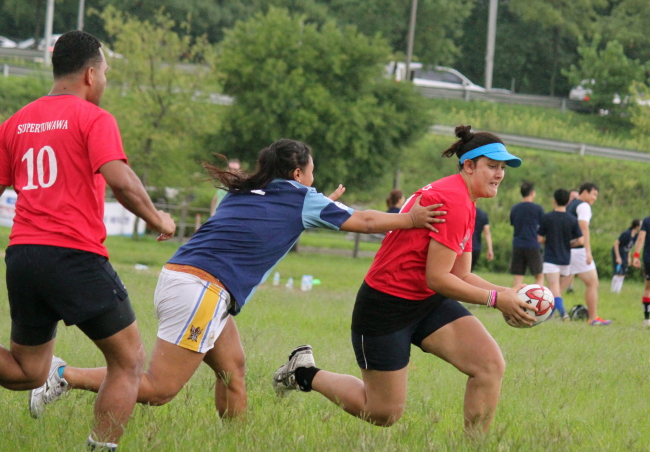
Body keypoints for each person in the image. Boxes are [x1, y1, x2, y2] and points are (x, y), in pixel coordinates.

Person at [29, 139, 447, 422]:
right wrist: (411, 219)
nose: (314, 181)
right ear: (299, 173)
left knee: (233, 371)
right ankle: (63, 374)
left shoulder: (245, 190)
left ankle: (233, 440)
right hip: (203, 291)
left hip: (185, 280)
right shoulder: (300, 197)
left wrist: (321, 206)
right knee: (158, 389)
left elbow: (264, 225)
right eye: (312, 174)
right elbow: (370, 220)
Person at [273, 125, 537, 435]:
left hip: (426, 301)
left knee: (489, 366)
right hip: (386, 306)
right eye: (492, 166)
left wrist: (508, 294)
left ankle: (476, 445)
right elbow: (439, 278)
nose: (499, 174)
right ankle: (304, 372)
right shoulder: (452, 200)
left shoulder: (466, 202)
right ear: (468, 165)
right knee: (383, 412)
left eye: (502, 168)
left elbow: (460, 274)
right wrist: (496, 300)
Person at [0, 31, 176, 451]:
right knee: (129, 360)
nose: (106, 81)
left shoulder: (15, 122)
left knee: (29, 371)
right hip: (73, 255)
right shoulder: (94, 118)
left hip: (22, 255)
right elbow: (121, 181)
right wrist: (158, 218)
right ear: (91, 74)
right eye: (107, 73)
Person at [561, 182, 611, 325]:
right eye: (594, 194)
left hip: (567, 249)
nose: (595, 198)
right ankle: (593, 318)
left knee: (560, 286)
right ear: (585, 192)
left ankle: (546, 312)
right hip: (578, 251)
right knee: (593, 283)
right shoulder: (584, 206)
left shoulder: (572, 204)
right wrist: (588, 251)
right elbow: (584, 228)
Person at [537, 189, 583, 320]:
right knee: (556, 290)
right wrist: (570, 244)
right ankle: (550, 314)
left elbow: (539, 238)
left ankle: (563, 313)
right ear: (568, 201)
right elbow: (581, 240)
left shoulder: (547, 217)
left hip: (551, 258)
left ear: (554, 200)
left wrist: (547, 242)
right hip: (565, 259)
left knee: (554, 289)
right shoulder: (572, 219)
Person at [509, 181, 544, 286]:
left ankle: (516, 299)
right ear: (532, 193)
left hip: (518, 244)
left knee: (518, 276)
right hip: (533, 244)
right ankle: (538, 298)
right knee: (539, 275)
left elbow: (513, 223)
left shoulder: (515, 208)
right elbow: (542, 226)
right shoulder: (538, 209)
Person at [610, 219, 640, 293]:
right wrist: (617, 257)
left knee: (623, 273)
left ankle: (618, 291)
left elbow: (629, 247)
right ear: (636, 226)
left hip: (625, 254)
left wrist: (629, 257)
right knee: (618, 273)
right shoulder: (627, 233)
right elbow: (616, 244)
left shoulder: (635, 236)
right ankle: (613, 291)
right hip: (618, 253)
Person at [632, 216, 650, 327]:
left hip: (648, 259)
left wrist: (636, 256)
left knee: (648, 288)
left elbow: (641, 239)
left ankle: (647, 319)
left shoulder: (647, 220)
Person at [565, 190, 580, 294]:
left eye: (576, 198)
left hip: (574, 241)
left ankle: (570, 286)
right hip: (564, 240)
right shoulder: (564, 210)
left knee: (572, 265)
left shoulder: (578, 211)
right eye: (572, 197)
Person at [471, 207, 494, 271]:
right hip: (476, 248)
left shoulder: (464, 211)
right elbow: (487, 233)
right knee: (468, 273)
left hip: (463, 246)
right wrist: (490, 249)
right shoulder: (482, 214)